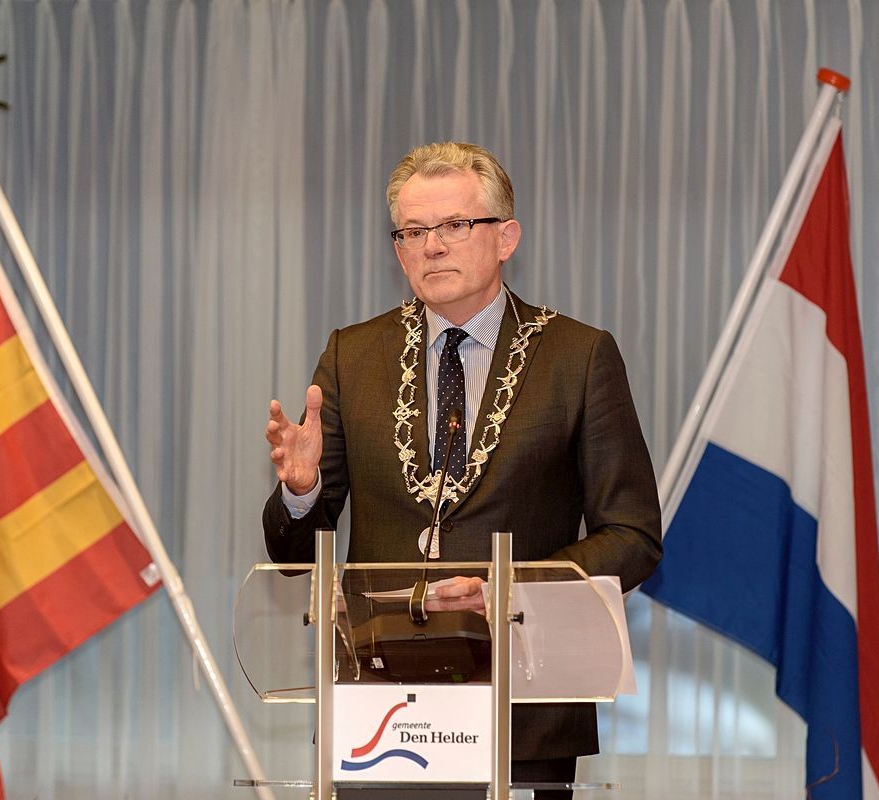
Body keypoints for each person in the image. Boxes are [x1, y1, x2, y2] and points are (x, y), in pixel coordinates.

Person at [263, 141, 661, 794]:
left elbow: (633, 537)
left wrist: (507, 590)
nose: (432, 246)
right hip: (379, 718)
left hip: (524, 714)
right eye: (412, 231)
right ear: (398, 251)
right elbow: (292, 559)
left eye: (454, 225)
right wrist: (302, 494)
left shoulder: (578, 357)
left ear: (506, 238)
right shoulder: (352, 356)